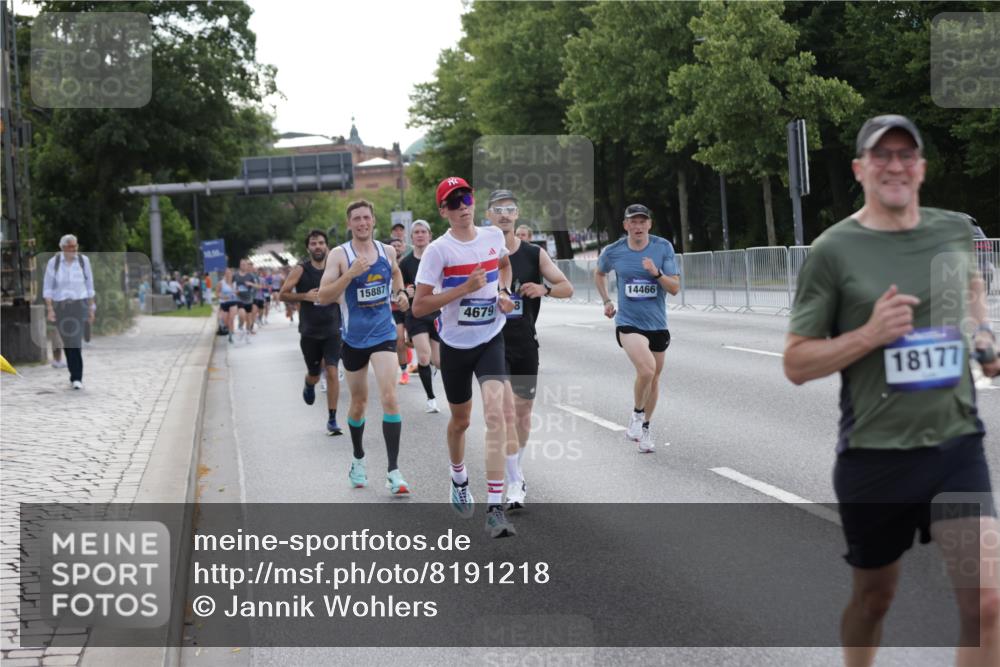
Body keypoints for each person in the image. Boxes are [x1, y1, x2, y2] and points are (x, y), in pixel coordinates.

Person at [783, 114, 1000, 667]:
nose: (895, 165)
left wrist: (982, 336)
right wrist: (870, 334)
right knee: (875, 597)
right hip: (875, 458)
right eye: (882, 156)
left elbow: (972, 291)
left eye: (907, 155)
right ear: (860, 169)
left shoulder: (953, 230)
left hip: (956, 447)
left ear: (922, 167)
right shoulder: (834, 250)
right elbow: (796, 362)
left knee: (989, 604)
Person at [412, 177, 517, 538]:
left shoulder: (492, 237)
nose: (462, 207)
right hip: (455, 345)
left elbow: (503, 266)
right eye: (454, 202)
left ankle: (495, 508)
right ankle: (458, 477)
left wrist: (502, 292)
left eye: (466, 198)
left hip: (490, 337)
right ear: (443, 210)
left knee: (497, 415)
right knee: (461, 421)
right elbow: (420, 304)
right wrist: (463, 289)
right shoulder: (438, 251)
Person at [486, 189, 573, 510]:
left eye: (510, 209)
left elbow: (567, 287)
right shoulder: (480, 251)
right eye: (498, 209)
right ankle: (513, 484)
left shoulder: (533, 254)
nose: (505, 214)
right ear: (489, 216)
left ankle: (516, 472)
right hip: (491, 344)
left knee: (522, 415)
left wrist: (544, 288)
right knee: (505, 412)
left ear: (517, 214)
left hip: (524, 343)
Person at [319, 200, 411, 495]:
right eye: (356, 219)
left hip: (383, 334)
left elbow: (396, 272)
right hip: (353, 339)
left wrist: (399, 293)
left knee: (390, 396)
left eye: (366, 218)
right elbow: (323, 295)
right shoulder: (339, 255)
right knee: (358, 403)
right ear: (349, 224)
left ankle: (394, 471)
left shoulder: (387, 251)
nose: (362, 223)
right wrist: (349, 275)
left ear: (373, 221)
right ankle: (358, 458)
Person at [594, 203, 680, 453]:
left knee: (654, 378)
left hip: (657, 324)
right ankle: (637, 414)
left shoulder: (662, 247)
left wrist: (656, 274)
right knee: (647, 369)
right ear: (625, 225)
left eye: (643, 221)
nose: (638, 226)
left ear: (649, 224)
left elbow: (674, 288)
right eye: (633, 221)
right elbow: (599, 274)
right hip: (628, 323)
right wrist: (607, 300)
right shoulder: (614, 251)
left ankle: (645, 429)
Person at [280, 229, 343, 436]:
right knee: (315, 374)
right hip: (310, 332)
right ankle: (309, 382)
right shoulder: (301, 270)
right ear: (308, 248)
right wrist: (305, 296)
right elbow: (283, 295)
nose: (318, 247)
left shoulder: (335, 268)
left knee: (332, 371)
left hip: (333, 329)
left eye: (321, 243)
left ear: (327, 246)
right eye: (314, 244)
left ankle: (332, 419)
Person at [42, 234, 95, 390]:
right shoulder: (54, 263)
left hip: (80, 304)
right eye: (71, 247)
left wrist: (92, 308)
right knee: (68, 342)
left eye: (75, 246)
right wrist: (50, 309)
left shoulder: (84, 261)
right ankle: (74, 374)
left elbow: (90, 285)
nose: (74, 249)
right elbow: (47, 288)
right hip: (61, 306)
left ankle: (77, 377)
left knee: (76, 341)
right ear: (63, 248)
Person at [400, 220, 442, 413]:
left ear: (429, 235)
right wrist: (404, 293)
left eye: (423, 231)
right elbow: (397, 291)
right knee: (423, 357)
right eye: (416, 232)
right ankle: (431, 398)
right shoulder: (405, 263)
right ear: (411, 237)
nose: (419, 235)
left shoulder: (438, 258)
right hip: (415, 314)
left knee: (439, 361)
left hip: (437, 312)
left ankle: (433, 367)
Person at [387, 237, 412, 385]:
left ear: (403, 247)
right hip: (394, 309)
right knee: (400, 340)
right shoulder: (384, 264)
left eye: (398, 245)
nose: (396, 248)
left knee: (414, 341)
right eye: (393, 246)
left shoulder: (408, 263)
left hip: (409, 307)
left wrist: (408, 290)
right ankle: (404, 372)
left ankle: (426, 363)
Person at [233, 259, 257, 342]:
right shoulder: (235, 275)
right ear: (240, 265)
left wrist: (251, 284)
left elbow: (257, 286)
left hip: (248, 299)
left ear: (247, 266)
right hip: (239, 298)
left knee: (248, 318)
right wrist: (234, 291)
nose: (243, 266)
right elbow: (231, 285)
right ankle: (240, 328)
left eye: (244, 264)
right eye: (241, 264)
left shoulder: (250, 276)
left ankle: (247, 334)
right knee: (242, 315)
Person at [217, 268, 240, 344]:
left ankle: (230, 335)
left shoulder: (234, 283)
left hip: (233, 302)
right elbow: (217, 293)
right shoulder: (221, 283)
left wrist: (236, 292)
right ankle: (230, 331)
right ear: (225, 274)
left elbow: (238, 292)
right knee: (226, 321)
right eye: (227, 273)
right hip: (224, 303)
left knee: (231, 318)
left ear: (231, 274)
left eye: (230, 273)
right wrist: (223, 297)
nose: (228, 274)